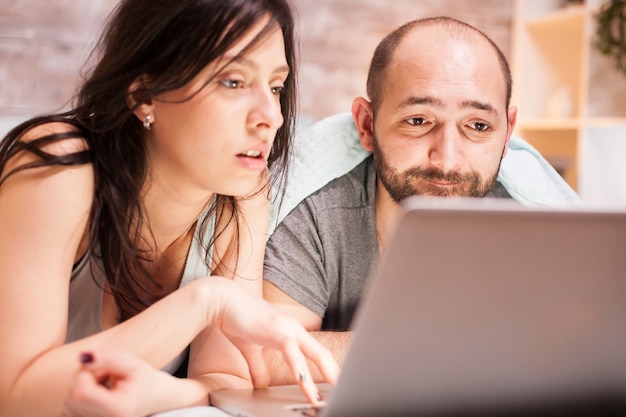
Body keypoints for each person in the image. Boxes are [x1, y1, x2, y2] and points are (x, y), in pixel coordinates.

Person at [0, 0, 339, 416]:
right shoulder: (60, 165)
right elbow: (15, 398)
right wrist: (206, 301)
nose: (271, 116)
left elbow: (229, 379)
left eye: (275, 87)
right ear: (145, 95)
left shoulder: (242, 193)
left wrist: (158, 394)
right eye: (233, 82)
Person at [262, 16, 581, 384]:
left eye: (478, 126)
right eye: (417, 121)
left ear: (507, 132)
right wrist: (449, 352)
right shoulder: (319, 212)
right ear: (366, 125)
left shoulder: (534, 226)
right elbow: (268, 358)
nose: (447, 159)